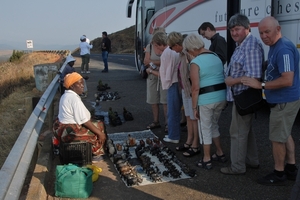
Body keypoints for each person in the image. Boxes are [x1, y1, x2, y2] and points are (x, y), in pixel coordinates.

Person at [241, 16, 300, 185]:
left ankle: (279, 173)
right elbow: (279, 68)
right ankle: (291, 168)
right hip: (283, 101)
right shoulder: (275, 46)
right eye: (261, 33)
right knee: (284, 134)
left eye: (267, 31)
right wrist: (267, 64)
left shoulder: (283, 49)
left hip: (284, 101)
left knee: (277, 138)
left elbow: (287, 79)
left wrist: (261, 84)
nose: (264, 36)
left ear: (278, 29)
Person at [220, 14, 264, 175]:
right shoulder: (243, 44)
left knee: (237, 133)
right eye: (232, 30)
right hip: (242, 98)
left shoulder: (250, 46)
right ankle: (253, 161)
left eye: (237, 29)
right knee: (246, 130)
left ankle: (237, 167)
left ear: (247, 28)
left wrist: (232, 81)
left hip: (244, 97)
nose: (234, 33)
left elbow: (254, 76)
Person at [183, 33, 227, 168]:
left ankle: (206, 158)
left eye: (188, 50)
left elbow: (195, 88)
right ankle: (220, 153)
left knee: (205, 129)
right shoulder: (215, 57)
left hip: (206, 99)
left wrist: (194, 107)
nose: (189, 53)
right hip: (221, 97)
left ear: (192, 48)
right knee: (214, 125)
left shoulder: (196, 63)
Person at [53, 72, 107, 162]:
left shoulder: (66, 95)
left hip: (62, 128)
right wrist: (100, 134)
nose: (82, 86)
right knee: (99, 129)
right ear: (72, 86)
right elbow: (84, 121)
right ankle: (96, 154)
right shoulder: (73, 99)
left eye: (83, 83)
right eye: (79, 83)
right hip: (69, 131)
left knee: (97, 124)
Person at [167, 32, 200, 156]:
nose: (172, 50)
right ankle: (189, 141)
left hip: (191, 91)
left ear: (177, 45)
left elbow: (195, 72)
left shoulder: (188, 54)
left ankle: (195, 144)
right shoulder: (181, 55)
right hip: (185, 90)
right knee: (188, 118)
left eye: (171, 47)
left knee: (193, 118)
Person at [152, 31, 181, 144]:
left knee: (172, 111)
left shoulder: (166, 53)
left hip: (172, 83)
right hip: (178, 82)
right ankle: (174, 134)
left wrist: (166, 83)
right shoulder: (172, 51)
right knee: (176, 111)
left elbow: (167, 73)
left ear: (158, 44)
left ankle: (173, 136)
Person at [143, 27, 168, 132]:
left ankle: (167, 123)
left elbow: (166, 61)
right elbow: (145, 61)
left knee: (165, 101)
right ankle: (156, 121)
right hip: (153, 77)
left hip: (164, 77)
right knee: (153, 100)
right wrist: (159, 62)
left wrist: (152, 62)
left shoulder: (167, 46)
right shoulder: (150, 46)